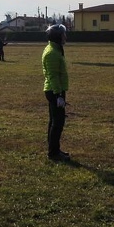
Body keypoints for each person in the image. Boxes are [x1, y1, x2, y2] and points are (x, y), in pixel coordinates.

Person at [42, 23, 70, 161]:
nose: (65, 36)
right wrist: (59, 95)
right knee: (57, 123)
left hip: (55, 89)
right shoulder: (52, 53)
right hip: (54, 90)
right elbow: (53, 76)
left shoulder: (55, 49)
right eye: (63, 34)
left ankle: (54, 149)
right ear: (57, 36)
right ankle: (53, 152)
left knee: (54, 121)